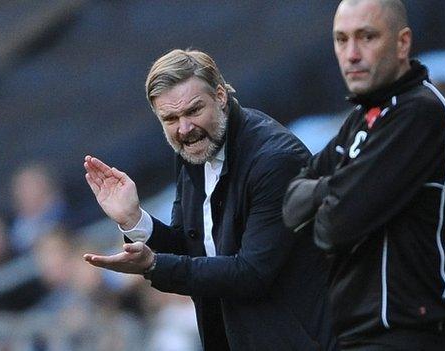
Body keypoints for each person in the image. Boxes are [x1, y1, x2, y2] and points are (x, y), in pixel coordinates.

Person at [82, 49, 336, 350]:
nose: (185, 128)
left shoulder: (274, 161)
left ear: (220, 96)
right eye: (171, 118)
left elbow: (252, 273)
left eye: (193, 110)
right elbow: (193, 250)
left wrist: (154, 266)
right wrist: (134, 219)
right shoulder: (194, 150)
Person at [283, 0, 445, 349]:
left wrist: (327, 193)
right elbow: (291, 206)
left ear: (402, 43)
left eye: (366, 37)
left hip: (408, 334)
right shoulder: (360, 120)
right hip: (355, 335)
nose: (351, 54)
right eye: (341, 40)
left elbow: (334, 226)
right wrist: (338, 187)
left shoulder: (420, 112)